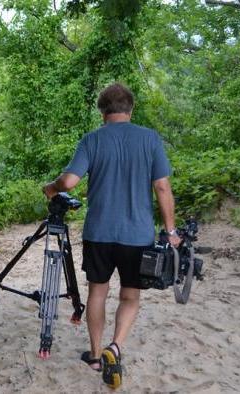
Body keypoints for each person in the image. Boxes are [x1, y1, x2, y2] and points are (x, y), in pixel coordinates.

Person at [42, 83, 181, 389]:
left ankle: (94, 355)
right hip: (137, 235)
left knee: (97, 293)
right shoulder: (150, 139)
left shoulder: (92, 140)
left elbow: (69, 181)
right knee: (130, 296)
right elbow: (162, 187)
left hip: (99, 234)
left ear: (102, 111)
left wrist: (51, 188)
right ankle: (115, 347)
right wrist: (170, 230)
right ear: (130, 109)